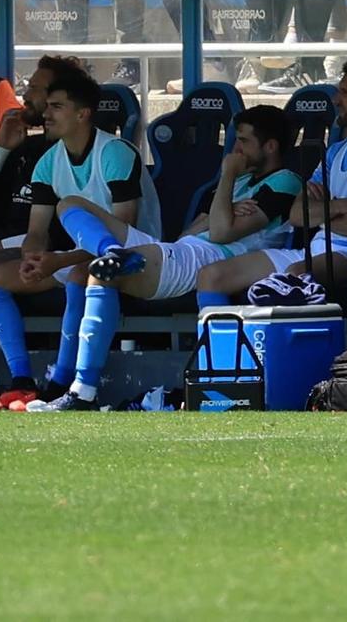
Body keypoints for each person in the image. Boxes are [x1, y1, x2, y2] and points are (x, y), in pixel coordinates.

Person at [34, 106, 303, 411]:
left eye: (243, 141)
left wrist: (227, 177)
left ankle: (82, 391)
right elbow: (193, 230)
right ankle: (110, 251)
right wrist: (225, 205)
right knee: (70, 208)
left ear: (270, 146)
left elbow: (222, 232)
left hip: (208, 261)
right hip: (180, 249)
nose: (235, 149)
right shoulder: (232, 187)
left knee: (95, 273)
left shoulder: (284, 181)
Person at [0, 70, 154, 410]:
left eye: (57, 107)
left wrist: (59, 261)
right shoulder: (48, 161)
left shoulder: (115, 152)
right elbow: (37, 229)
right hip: (75, 257)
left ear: (82, 114)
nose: (46, 114)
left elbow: (124, 234)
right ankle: (22, 382)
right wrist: (32, 257)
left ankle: (60, 384)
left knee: (83, 273)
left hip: (139, 256)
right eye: (48, 106)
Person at [206, 60, 347, 297]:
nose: (336, 100)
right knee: (212, 276)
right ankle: (216, 336)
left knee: (294, 275)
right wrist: (342, 206)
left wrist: (320, 216)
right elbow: (297, 214)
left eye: (344, 93)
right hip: (313, 249)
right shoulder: (336, 151)